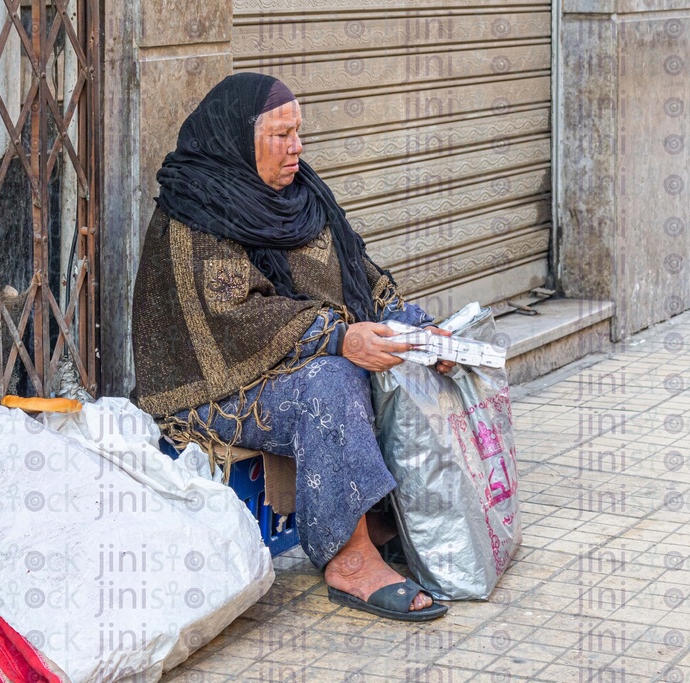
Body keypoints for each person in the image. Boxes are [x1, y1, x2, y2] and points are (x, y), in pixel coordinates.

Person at [131, 73, 453, 621]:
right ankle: (349, 560)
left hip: (284, 361)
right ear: (238, 140)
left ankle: (377, 519)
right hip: (211, 387)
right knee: (328, 380)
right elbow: (233, 317)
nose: (297, 148)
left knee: (380, 362)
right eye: (281, 135)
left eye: (298, 132)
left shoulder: (302, 197)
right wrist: (337, 337)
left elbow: (360, 280)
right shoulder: (193, 211)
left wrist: (414, 330)